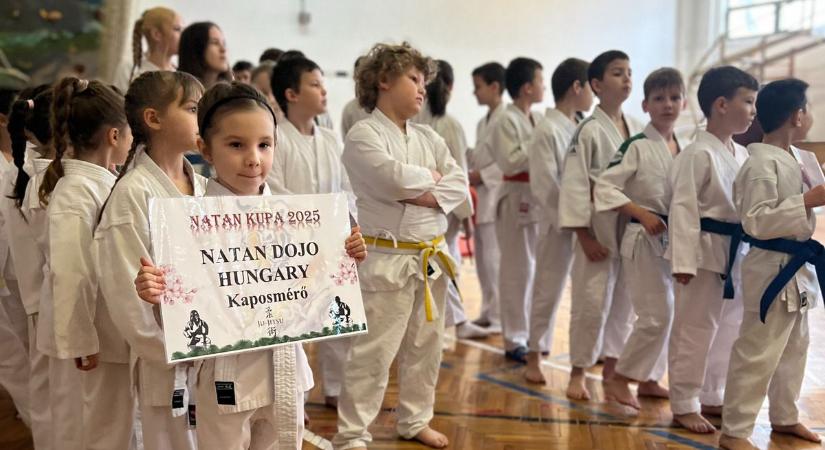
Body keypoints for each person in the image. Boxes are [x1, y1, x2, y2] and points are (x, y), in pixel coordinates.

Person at [134, 81, 366, 449]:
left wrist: (345, 256)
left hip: (286, 369)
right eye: (236, 145)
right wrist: (156, 294)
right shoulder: (185, 224)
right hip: (227, 375)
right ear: (205, 149)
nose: (253, 158)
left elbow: (318, 291)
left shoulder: (299, 217)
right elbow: (183, 317)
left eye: (264, 145)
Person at [332, 42, 468, 450]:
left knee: (425, 349)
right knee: (374, 352)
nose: (422, 89)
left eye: (425, 82)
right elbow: (389, 178)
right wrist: (429, 183)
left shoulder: (429, 136)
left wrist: (422, 188)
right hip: (387, 258)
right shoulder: (363, 134)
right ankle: (353, 433)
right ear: (384, 80)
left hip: (430, 257)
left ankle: (415, 419)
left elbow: (458, 184)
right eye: (414, 79)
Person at [95, 70, 205, 450]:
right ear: (153, 119)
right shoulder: (133, 194)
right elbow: (126, 296)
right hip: (166, 360)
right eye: (192, 108)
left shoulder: (206, 186)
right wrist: (165, 350)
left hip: (211, 352)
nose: (201, 116)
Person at [719, 78, 823, 449]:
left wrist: (812, 199)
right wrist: (807, 201)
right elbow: (756, 220)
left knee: (796, 346)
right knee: (758, 349)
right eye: (807, 109)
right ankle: (734, 431)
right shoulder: (760, 165)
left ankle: (785, 416)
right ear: (797, 116)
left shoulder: (802, 158)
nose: (808, 115)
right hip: (770, 265)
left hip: (798, 265)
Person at [41, 77, 135, 448]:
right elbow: (70, 270)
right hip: (91, 339)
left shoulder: (99, 184)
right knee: (92, 430)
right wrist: (81, 338)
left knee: (107, 427)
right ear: (115, 136)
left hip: (106, 332)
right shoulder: (76, 191)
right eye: (130, 132)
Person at [667, 65, 757, 433]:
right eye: (748, 102)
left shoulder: (743, 154)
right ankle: (684, 401)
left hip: (737, 253)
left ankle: (712, 392)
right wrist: (683, 260)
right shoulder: (696, 154)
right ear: (721, 104)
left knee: (729, 328)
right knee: (695, 328)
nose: (753, 110)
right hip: (702, 254)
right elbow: (683, 209)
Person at [268, 55, 357, 407]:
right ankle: (294, 399)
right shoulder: (276, 137)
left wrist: (345, 219)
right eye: (315, 84)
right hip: (292, 245)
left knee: (338, 318)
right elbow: (274, 192)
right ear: (291, 93)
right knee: (295, 323)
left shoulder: (332, 139)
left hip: (333, 241)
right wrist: (318, 218)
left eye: (323, 83)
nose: (323, 91)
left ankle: (335, 390)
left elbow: (348, 187)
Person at [594, 68, 685, 407]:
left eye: (674, 98)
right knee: (655, 315)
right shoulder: (636, 146)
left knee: (669, 313)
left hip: (672, 239)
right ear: (646, 105)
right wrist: (640, 212)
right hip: (641, 237)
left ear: (684, 102)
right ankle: (620, 378)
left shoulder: (683, 146)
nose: (668, 105)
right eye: (659, 99)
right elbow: (605, 187)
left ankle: (649, 379)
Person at [558, 50, 643, 400]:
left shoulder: (638, 127)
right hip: (598, 228)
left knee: (625, 303)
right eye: (617, 73)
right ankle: (577, 372)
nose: (626, 79)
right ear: (596, 84)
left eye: (629, 72)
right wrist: (583, 234)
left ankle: (614, 366)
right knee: (591, 303)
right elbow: (575, 184)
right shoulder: (588, 130)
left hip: (633, 228)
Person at [523, 57, 593, 384]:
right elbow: (544, 184)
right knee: (547, 288)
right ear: (577, 87)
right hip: (557, 221)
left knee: (582, 292)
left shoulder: (581, 125)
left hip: (584, 220)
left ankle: (574, 352)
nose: (593, 94)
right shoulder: (547, 130)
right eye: (591, 86)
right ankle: (533, 353)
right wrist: (570, 220)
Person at [414, 59, 486, 340]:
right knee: (443, 263)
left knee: (434, 264)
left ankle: (454, 320)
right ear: (451, 87)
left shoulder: (415, 121)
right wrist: (467, 216)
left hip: (425, 202)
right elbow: (461, 176)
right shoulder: (447, 124)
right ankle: (454, 322)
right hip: (446, 206)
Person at [5, 85, 55, 450]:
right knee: (44, 388)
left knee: (47, 389)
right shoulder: (39, 180)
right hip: (37, 296)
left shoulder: (34, 174)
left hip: (38, 297)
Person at [488, 57, 545, 363]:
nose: (544, 86)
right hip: (514, 196)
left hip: (535, 197)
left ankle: (532, 334)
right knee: (516, 271)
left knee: (534, 269)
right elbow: (510, 161)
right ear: (527, 88)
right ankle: (513, 339)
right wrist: (540, 140)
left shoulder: (534, 119)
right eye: (540, 80)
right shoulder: (505, 120)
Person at [467, 62, 506, 332]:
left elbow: (508, 163)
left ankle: (501, 317)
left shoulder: (507, 120)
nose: (474, 93)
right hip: (481, 198)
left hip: (497, 198)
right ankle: (488, 310)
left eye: (478, 87)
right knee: (483, 261)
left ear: (495, 87)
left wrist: (482, 175)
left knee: (496, 261)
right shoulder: (483, 123)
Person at [114, 6, 183, 91]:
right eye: (177, 29)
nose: (184, 34)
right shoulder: (130, 69)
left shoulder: (180, 73)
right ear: (156, 34)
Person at [178, 22, 230, 89]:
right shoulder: (176, 91)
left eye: (224, 43)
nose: (223, 49)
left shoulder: (232, 93)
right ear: (196, 48)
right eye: (215, 43)